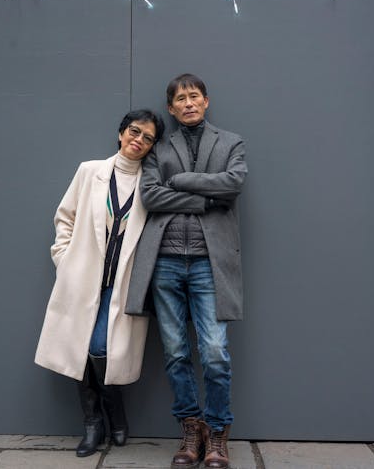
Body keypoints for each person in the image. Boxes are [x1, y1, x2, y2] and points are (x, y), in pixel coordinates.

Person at [126, 74, 247, 469]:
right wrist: (202, 199)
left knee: (214, 352)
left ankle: (217, 433)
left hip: (209, 264)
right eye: (181, 99)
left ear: (206, 101)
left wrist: (179, 181)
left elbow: (232, 184)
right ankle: (190, 429)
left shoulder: (231, 143)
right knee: (176, 353)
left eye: (194, 96)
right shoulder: (158, 148)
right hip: (164, 263)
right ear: (171, 107)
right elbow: (151, 195)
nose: (188, 103)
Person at [35, 109, 164, 457]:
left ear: (152, 146)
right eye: (134, 132)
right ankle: (95, 423)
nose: (139, 140)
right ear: (121, 133)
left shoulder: (150, 185)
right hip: (82, 281)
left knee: (97, 350)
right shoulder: (90, 171)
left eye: (148, 137)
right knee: (79, 349)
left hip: (121, 286)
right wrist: (65, 261)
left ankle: (112, 411)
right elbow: (66, 217)